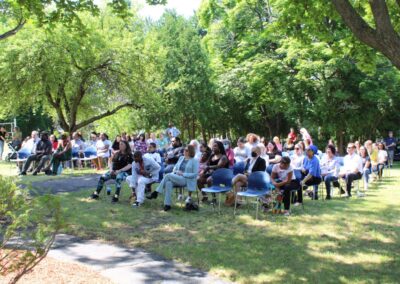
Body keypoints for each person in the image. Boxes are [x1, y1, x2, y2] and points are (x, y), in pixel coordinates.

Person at [147, 145, 199, 211]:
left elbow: (195, 174)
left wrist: (183, 174)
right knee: (168, 183)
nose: (184, 151)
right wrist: (176, 171)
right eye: (184, 150)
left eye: (186, 150)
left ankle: (156, 192)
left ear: (191, 152)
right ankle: (167, 205)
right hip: (176, 177)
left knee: (168, 175)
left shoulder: (194, 161)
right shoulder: (181, 158)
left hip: (186, 179)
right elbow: (175, 167)